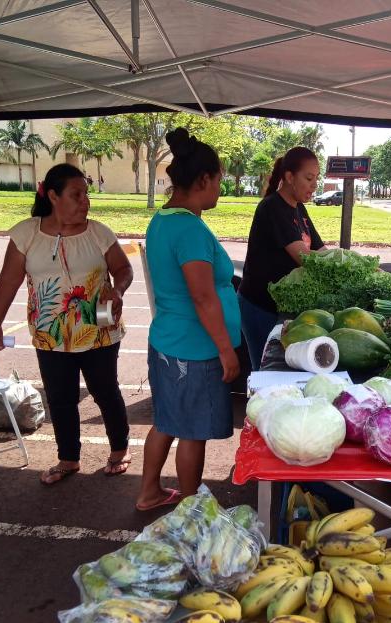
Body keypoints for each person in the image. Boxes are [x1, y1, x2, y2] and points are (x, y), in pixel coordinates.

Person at [0, 163, 134, 485]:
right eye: (76, 194)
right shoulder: (26, 234)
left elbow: (124, 269)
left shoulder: (99, 233)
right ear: (53, 196)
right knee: (60, 396)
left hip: (98, 330)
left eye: (86, 194)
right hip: (49, 335)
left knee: (105, 391)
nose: (85, 201)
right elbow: (8, 282)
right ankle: (68, 459)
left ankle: (119, 450)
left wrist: (117, 289)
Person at [136, 128, 241, 511]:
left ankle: (149, 491)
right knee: (192, 431)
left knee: (168, 420)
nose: (220, 189)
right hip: (193, 350)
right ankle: (192, 508)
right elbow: (202, 295)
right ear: (203, 180)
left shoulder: (163, 219)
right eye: (219, 181)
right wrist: (226, 351)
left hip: (169, 340)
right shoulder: (190, 228)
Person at [237, 146, 326, 369]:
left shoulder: (299, 209)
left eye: (316, 178)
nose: (315, 185)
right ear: (289, 177)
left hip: (281, 307)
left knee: (281, 369)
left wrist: (352, 261)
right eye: (308, 178)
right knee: (266, 370)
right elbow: (305, 257)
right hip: (260, 306)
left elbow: (321, 250)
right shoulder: (271, 208)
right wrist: (342, 265)